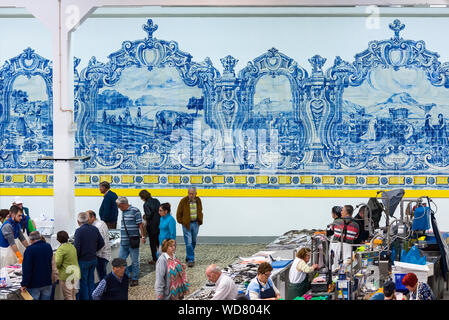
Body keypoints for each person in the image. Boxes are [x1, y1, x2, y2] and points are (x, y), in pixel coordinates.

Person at [74, 211, 105, 300]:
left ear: (78, 222)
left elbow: (77, 247)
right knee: (91, 281)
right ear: (88, 220)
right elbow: (101, 243)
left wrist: (77, 257)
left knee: (83, 282)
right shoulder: (94, 229)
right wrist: (93, 250)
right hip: (93, 259)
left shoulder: (79, 231)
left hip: (83, 260)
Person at [117, 196, 145, 287]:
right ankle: (127, 276)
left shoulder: (135, 211)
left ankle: (135, 278)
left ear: (124, 204)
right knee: (121, 260)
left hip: (133, 241)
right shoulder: (123, 212)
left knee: (134, 261)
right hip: (123, 242)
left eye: (119, 206)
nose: (119, 208)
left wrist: (142, 236)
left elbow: (140, 224)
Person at [20, 231, 53, 300]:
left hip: (34, 284)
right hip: (47, 281)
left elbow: (27, 269)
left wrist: (24, 284)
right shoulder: (48, 246)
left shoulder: (29, 250)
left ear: (31, 240)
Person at [176, 187, 203, 267]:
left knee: (193, 241)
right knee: (189, 242)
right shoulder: (183, 201)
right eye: (189, 193)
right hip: (186, 224)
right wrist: (182, 221)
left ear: (196, 194)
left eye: (192, 194)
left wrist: (199, 220)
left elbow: (200, 210)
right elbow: (179, 212)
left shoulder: (198, 200)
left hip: (195, 223)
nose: (190, 195)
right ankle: (191, 259)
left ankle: (188, 255)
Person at [329, 205, 360, 272]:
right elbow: (355, 237)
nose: (341, 212)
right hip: (348, 246)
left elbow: (332, 229)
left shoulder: (336, 222)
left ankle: (334, 279)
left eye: (342, 210)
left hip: (336, 246)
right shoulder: (356, 225)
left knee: (334, 265)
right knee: (345, 266)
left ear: (346, 212)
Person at [54, 230, 80, 300]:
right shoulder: (72, 247)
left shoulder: (61, 249)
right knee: (73, 294)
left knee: (68, 296)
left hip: (67, 275)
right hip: (75, 273)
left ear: (58, 239)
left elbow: (57, 263)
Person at [87, 210, 111, 282]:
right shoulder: (102, 223)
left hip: (101, 256)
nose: (86, 220)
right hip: (105, 254)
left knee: (102, 277)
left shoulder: (97, 227)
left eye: (87, 218)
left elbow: (101, 243)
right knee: (103, 275)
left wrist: (96, 255)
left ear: (93, 217)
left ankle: (104, 291)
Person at [139, 189, 161, 265]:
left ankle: (155, 259)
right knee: (159, 243)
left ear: (142, 197)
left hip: (152, 226)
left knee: (153, 244)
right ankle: (164, 257)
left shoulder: (146, 204)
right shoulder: (156, 201)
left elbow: (149, 215)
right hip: (159, 224)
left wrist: (145, 216)